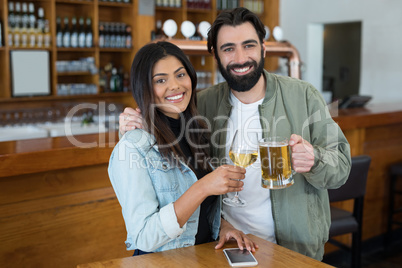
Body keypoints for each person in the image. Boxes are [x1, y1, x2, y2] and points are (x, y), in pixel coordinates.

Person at [119, 8, 351, 260]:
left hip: (293, 249)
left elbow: (341, 167)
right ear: (215, 55)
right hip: (223, 248)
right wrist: (135, 125)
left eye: (248, 45)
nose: (240, 58)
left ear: (263, 48)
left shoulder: (304, 96)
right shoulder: (201, 104)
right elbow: (168, 139)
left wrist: (315, 160)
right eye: (228, 48)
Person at [108, 41, 258, 255]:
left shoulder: (198, 133)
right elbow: (144, 236)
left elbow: (202, 211)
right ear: (144, 87)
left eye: (180, 75)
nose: (175, 86)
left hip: (203, 257)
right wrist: (203, 187)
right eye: (161, 80)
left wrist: (225, 227)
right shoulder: (133, 147)